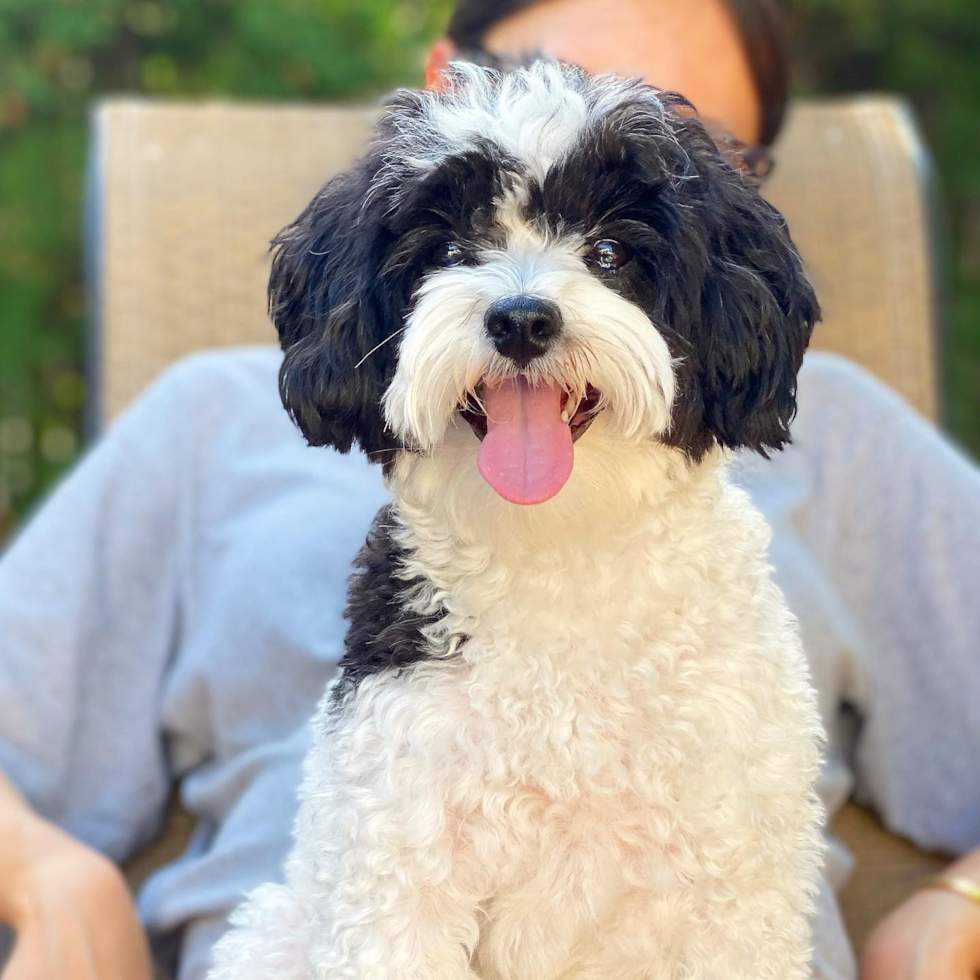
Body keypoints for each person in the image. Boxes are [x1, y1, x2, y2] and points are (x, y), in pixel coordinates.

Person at [0, 1, 977, 978]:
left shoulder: (850, 438)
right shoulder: (201, 420)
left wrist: (955, 905)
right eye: (462, 244)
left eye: (607, 252)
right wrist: (45, 873)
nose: (526, 303)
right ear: (444, 80)